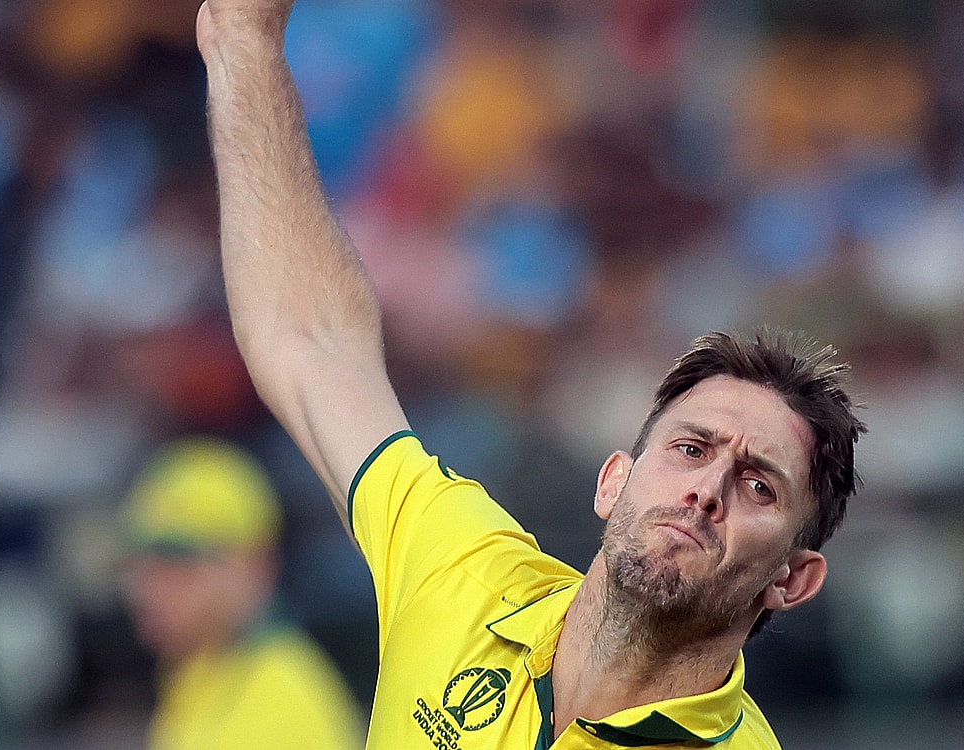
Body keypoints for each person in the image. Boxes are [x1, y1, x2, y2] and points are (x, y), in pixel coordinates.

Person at [195, 0, 867, 746]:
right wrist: (243, 39)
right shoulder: (466, 574)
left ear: (792, 579)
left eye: (759, 486)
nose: (707, 491)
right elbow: (312, 342)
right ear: (612, 482)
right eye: (690, 448)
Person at [120, 437, 363, 749]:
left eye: (177, 563)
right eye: (139, 564)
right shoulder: (195, 668)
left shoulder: (286, 704)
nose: (145, 589)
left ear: (255, 565)